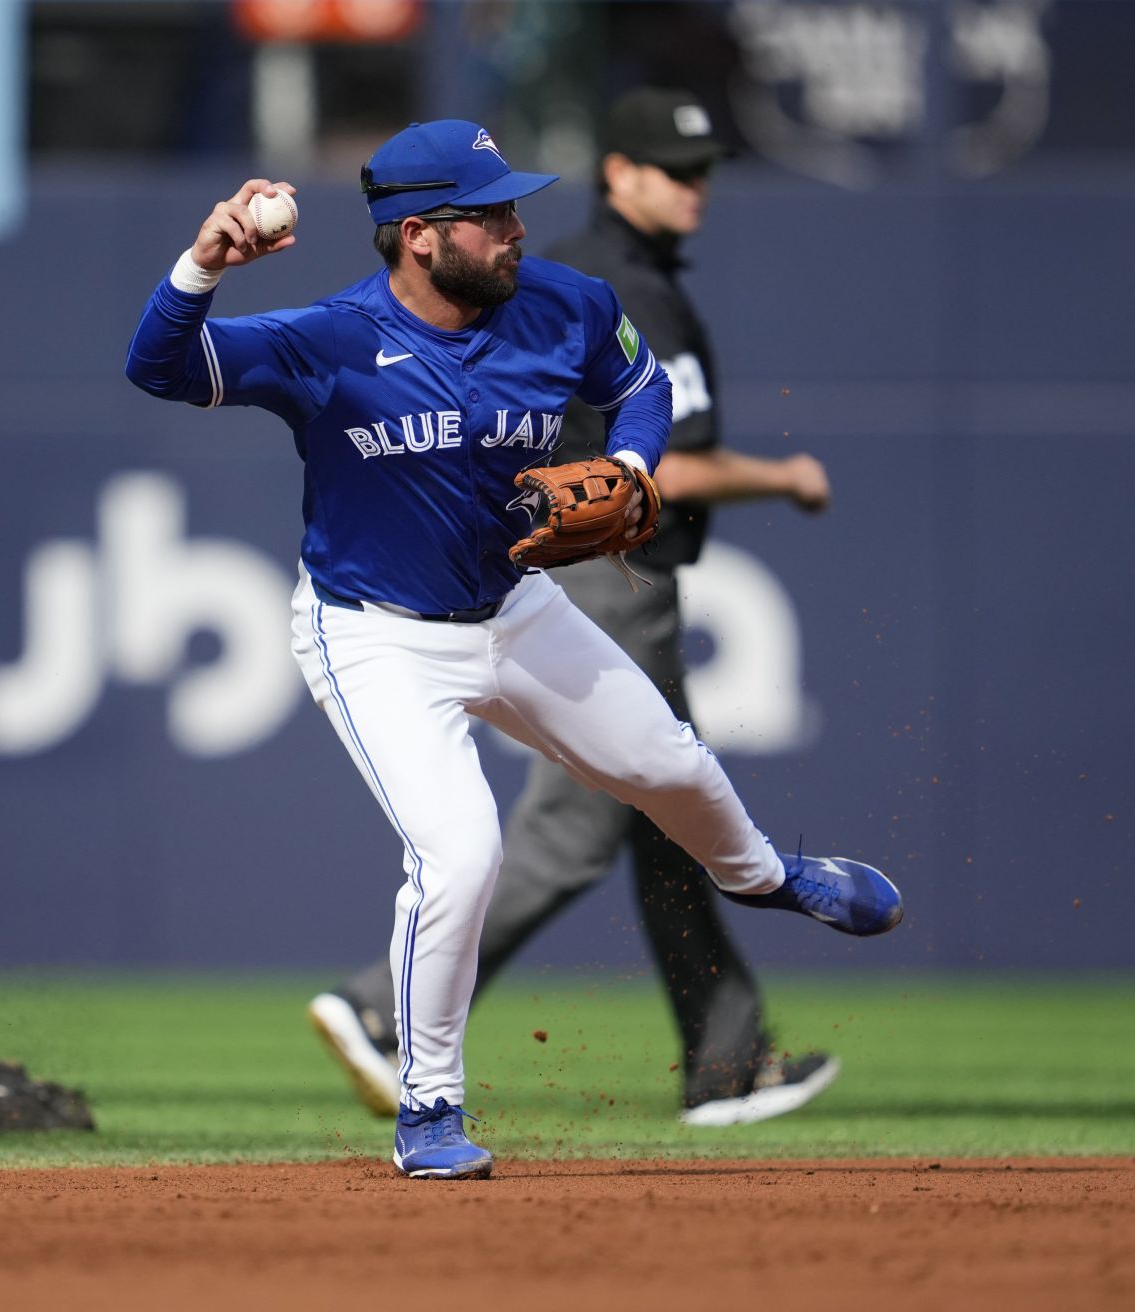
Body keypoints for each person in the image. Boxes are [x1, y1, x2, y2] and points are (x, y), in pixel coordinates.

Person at [123, 119, 902, 1179]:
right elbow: (159, 366)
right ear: (418, 236)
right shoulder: (330, 340)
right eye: (488, 214)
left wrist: (630, 467)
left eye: (514, 206)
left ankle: (767, 875)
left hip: (515, 607)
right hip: (373, 633)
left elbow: (643, 389)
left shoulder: (565, 302)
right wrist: (204, 264)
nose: (516, 227)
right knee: (462, 852)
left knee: (667, 761)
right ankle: (429, 1110)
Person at [306, 89, 847, 1132]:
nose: (693, 188)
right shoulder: (596, 282)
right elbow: (668, 466)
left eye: (703, 171)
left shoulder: (587, 279)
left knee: (669, 791)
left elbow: (644, 416)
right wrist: (782, 476)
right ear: (620, 172)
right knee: (578, 827)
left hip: (575, 571)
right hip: (585, 571)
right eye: (672, 170)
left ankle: (726, 1053)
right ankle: (381, 1003)